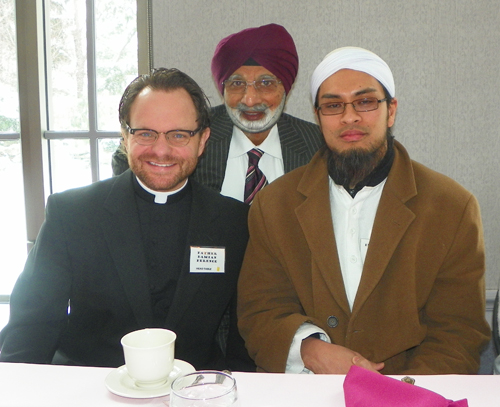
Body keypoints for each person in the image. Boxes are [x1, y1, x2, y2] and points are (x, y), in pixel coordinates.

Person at [237, 47, 491, 375]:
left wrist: (393, 396)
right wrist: (309, 350)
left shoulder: (451, 207)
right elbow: (260, 313)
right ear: (318, 117)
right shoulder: (275, 205)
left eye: (366, 101)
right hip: (303, 390)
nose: (349, 117)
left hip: (412, 395)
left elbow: (458, 334)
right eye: (333, 105)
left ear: (391, 111)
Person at [0, 68, 255, 372]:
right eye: (146, 133)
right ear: (124, 136)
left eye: (179, 135)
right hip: (90, 389)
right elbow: (32, 326)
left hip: (193, 393)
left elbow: (246, 331)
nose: (161, 150)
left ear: (202, 141)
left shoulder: (234, 222)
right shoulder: (72, 215)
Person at [112, 24, 323, 204]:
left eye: (266, 83)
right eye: (237, 83)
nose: (250, 100)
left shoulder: (318, 146)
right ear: (222, 88)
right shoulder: (190, 134)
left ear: (286, 87)